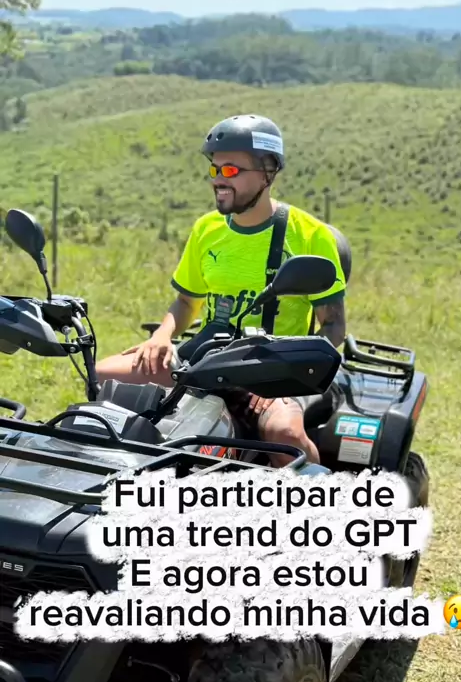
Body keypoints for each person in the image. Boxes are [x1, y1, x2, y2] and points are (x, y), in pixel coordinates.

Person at [95, 114, 347, 467]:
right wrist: (162, 337)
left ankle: (316, 496)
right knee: (102, 376)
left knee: (284, 435)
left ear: (268, 171)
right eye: (214, 169)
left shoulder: (310, 235)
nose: (218, 179)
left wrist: (284, 374)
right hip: (207, 359)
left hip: (277, 371)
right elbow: (186, 302)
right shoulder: (206, 229)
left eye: (230, 170)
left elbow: (333, 326)